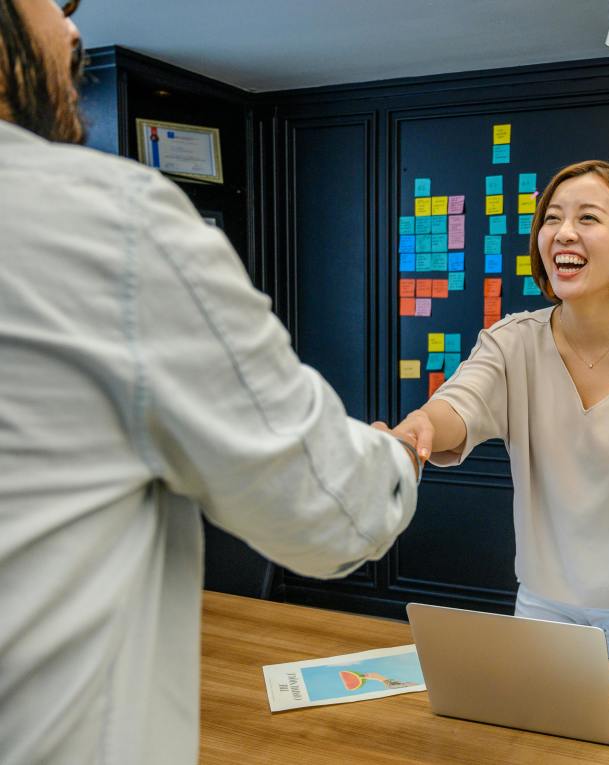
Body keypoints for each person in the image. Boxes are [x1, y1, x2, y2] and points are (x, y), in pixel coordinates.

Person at [0, 1, 421, 763]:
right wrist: (398, 454)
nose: (72, 34)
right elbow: (334, 510)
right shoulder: (114, 222)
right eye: (52, 2)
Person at [393, 160, 609, 727]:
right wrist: (415, 429)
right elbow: (457, 406)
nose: (563, 232)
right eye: (552, 218)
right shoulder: (511, 342)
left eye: (587, 218)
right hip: (540, 609)